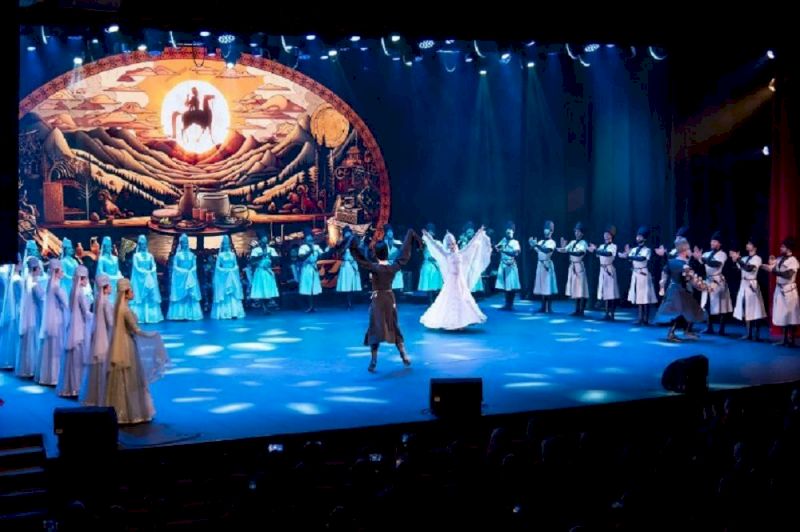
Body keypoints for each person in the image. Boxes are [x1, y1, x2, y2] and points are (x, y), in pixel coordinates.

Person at [349, 229, 418, 372]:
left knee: (375, 327)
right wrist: (409, 236)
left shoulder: (374, 268)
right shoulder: (392, 267)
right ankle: (404, 355)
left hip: (378, 300)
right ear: (387, 252)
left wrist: (353, 242)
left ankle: (374, 360)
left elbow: (360, 258)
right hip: (389, 299)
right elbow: (403, 255)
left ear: (375, 254)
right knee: (393, 325)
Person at [105, 278, 169, 424]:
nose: (133, 293)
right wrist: (152, 335)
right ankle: (132, 413)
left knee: (121, 378)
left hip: (119, 344)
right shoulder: (126, 310)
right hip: (127, 345)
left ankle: (120, 411)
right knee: (131, 378)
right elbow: (136, 330)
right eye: (131, 291)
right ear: (126, 293)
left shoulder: (117, 308)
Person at [419, 226, 492, 330]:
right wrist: (427, 236)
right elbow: (435, 246)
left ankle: (462, 322)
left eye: (452, 244)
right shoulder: (446, 254)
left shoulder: (461, 253)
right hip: (451, 280)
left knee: (463, 299)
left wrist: (478, 233)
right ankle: (452, 322)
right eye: (449, 244)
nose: (451, 246)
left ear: (455, 243)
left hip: (460, 280)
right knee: (451, 300)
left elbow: (471, 245)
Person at [654, 237, 707, 342]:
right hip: (679, 291)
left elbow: (664, 273)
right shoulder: (683, 265)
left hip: (677, 289)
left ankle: (687, 330)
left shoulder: (673, 261)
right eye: (688, 249)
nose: (690, 251)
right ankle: (671, 333)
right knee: (679, 312)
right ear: (684, 250)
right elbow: (691, 279)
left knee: (689, 310)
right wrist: (701, 286)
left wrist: (662, 286)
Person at [57, 265, 92, 398]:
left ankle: (70, 387)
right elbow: (86, 313)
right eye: (85, 278)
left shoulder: (73, 290)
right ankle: (77, 387)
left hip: (73, 327)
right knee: (79, 359)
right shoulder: (80, 293)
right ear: (81, 279)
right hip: (80, 328)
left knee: (72, 359)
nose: (87, 280)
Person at [80, 274, 113, 406]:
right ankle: (103, 396)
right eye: (109, 285)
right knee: (104, 365)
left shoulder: (98, 300)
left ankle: (93, 396)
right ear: (105, 288)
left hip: (97, 336)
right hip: (104, 336)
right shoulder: (106, 302)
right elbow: (110, 322)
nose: (111, 288)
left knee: (96, 367)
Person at [761, 237, 799, 347]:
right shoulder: (780, 259)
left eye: (783, 247)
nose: (781, 248)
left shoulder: (793, 261)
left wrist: (773, 271)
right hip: (780, 289)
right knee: (782, 314)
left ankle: (792, 340)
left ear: (789, 248)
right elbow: (772, 267)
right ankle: (784, 339)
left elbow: (788, 275)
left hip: (789, 290)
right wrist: (766, 266)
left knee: (791, 315)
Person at [694, 231, 733, 335]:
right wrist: (695, 256)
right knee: (707, 304)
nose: (712, 243)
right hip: (708, 280)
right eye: (712, 241)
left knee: (722, 305)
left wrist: (702, 259)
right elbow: (700, 263)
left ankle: (721, 329)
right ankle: (709, 327)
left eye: (715, 241)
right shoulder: (706, 254)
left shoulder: (722, 254)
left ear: (720, 244)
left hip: (718, 281)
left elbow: (715, 264)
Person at [36, 258, 67, 386]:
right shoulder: (56, 287)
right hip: (57, 319)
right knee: (56, 347)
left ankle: (46, 375)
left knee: (50, 347)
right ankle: (54, 376)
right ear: (56, 272)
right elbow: (65, 304)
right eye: (61, 271)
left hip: (52, 320)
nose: (63, 273)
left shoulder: (50, 285)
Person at [729, 238, 767, 341]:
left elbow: (749, 268)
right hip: (743, 284)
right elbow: (739, 268)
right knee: (745, 307)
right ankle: (748, 333)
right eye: (747, 243)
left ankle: (756, 333)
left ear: (755, 247)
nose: (747, 245)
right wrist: (734, 258)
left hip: (751, 284)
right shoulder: (744, 258)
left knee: (756, 309)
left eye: (749, 244)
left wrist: (738, 259)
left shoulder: (757, 258)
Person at [619, 226, 659, 325]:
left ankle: (646, 319)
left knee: (645, 296)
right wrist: (625, 255)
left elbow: (642, 258)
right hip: (636, 273)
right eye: (637, 236)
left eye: (640, 236)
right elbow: (629, 258)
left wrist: (630, 256)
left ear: (644, 238)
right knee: (638, 296)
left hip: (643, 273)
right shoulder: (634, 250)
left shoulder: (647, 250)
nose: (638, 238)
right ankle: (640, 318)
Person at [16, 257, 44, 378]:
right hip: (34, 314)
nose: (40, 270)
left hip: (29, 313)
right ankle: (31, 368)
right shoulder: (34, 283)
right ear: (35, 269)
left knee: (28, 341)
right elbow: (41, 298)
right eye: (39, 268)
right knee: (33, 340)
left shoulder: (27, 279)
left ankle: (26, 368)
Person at [167, 234, 203, 321]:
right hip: (181, 278)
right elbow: (175, 267)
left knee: (191, 294)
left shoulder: (192, 255)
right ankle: (180, 315)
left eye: (187, 242)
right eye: (184, 243)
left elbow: (194, 265)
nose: (186, 244)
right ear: (181, 244)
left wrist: (191, 271)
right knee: (181, 294)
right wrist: (184, 272)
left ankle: (191, 314)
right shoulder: (178, 255)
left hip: (190, 277)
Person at [557, 222, 589, 316]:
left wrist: (569, 251)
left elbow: (579, 253)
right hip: (572, 266)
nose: (576, 233)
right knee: (575, 288)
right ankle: (577, 309)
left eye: (578, 231)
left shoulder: (583, 243)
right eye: (575, 231)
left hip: (579, 266)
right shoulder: (572, 242)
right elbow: (564, 250)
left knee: (581, 288)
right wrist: (560, 248)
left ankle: (582, 310)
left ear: (582, 233)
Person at [130, 235, 163, 323]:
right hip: (140, 279)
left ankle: (151, 317)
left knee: (150, 295)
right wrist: (144, 272)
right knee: (141, 296)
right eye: (142, 244)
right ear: (139, 245)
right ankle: (140, 317)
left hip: (149, 277)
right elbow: (136, 267)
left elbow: (153, 265)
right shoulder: (136, 256)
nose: (143, 246)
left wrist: (151, 271)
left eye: (145, 244)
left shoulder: (150, 256)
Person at [211, 236, 245, 319]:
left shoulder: (232, 255)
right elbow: (217, 267)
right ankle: (225, 313)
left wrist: (233, 269)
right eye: (225, 244)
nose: (226, 246)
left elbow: (236, 265)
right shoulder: (220, 255)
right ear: (223, 245)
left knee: (233, 293)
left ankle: (234, 312)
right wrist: (224, 270)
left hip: (232, 275)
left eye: (228, 244)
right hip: (224, 276)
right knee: (224, 293)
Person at [529, 220, 558, 314]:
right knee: (542, 286)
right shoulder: (541, 241)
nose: (546, 231)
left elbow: (546, 250)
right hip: (540, 265)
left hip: (547, 265)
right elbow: (538, 250)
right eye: (545, 228)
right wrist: (532, 245)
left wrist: (536, 245)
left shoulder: (552, 242)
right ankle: (542, 306)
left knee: (548, 286)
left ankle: (549, 307)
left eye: (548, 229)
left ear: (551, 231)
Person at [0, 256, 22, 369]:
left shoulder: (9, 277)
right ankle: (8, 360)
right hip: (15, 307)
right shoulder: (15, 278)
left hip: (11, 306)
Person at [249, 237, 280, 313]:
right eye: (262, 242)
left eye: (265, 242)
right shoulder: (255, 250)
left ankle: (267, 305)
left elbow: (277, 259)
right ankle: (264, 307)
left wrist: (271, 256)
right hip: (260, 271)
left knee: (268, 289)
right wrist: (261, 256)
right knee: (261, 289)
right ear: (260, 241)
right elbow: (252, 261)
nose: (264, 243)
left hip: (268, 271)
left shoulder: (271, 249)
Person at [495, 221, 521, 310]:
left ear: (513, 231)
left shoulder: (515, 242)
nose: (508, 231)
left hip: (511, 265)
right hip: (503, 264)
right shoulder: (503, 240)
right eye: (507, 230)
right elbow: (497, 248)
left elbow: (515, 253)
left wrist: (503, 251)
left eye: (510, 230)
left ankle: (511, 304)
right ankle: (507, 304)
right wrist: (496, 248)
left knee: (511, 285)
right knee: (506, 285)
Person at [334, 226, 361, 309]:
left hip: (353, 264)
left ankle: (351, 302)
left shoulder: (355, 243)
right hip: (346, 265)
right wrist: (347, 243)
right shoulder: (342, 244)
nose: (348, 234)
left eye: (349, 233)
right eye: (346, 233)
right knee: (346, 285)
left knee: (353, 284)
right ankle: (348, 303)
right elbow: (339, 253)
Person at [298, 228, 324, 312]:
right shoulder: (303, 247)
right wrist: (310, 251)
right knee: (307, 287)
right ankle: (309, 306)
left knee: (314, 287)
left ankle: (313, 306)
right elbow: (301, 257)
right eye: (308, 237)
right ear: (305, 239)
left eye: (311, 237)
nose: (309, 239)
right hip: (307, 268)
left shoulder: (316, 247)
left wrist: (320, 254)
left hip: (314, 268)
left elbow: (322, 255)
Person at [418, 223, 444, 303]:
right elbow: (420, 249)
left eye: (431, 232)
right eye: (428, 232)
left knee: (436, 284)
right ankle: (430, 301)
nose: (430, 233)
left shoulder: (438, 243)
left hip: (436, 264)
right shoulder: (424, 242)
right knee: (428, 284)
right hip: (428, 264)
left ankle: (437, 301)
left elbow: (442, 253)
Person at [459, 221, 485, 293]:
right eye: (468, 232)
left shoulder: (477, 241)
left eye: (470, 232)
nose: (469, 234)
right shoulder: (463, 241)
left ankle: (473, 294)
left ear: (473, 233)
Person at [96, 236, 123, 300]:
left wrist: (119, 275)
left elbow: (117, 270)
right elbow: (100, 272)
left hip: (116, 281)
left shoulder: (115, 258)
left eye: (109, 246)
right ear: (104, 247)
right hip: (108, 282)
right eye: (107, 246)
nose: (109, 248)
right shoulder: (101, 259)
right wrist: (110, 277)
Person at [383, 225, 405, 291]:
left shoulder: (398, 242)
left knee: (396, 285)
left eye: (391, 231)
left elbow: (402, 253)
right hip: (386, 265)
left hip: (395, 264)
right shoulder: (383, 243)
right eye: (388, 231)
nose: (390, 233)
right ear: (385, 233)